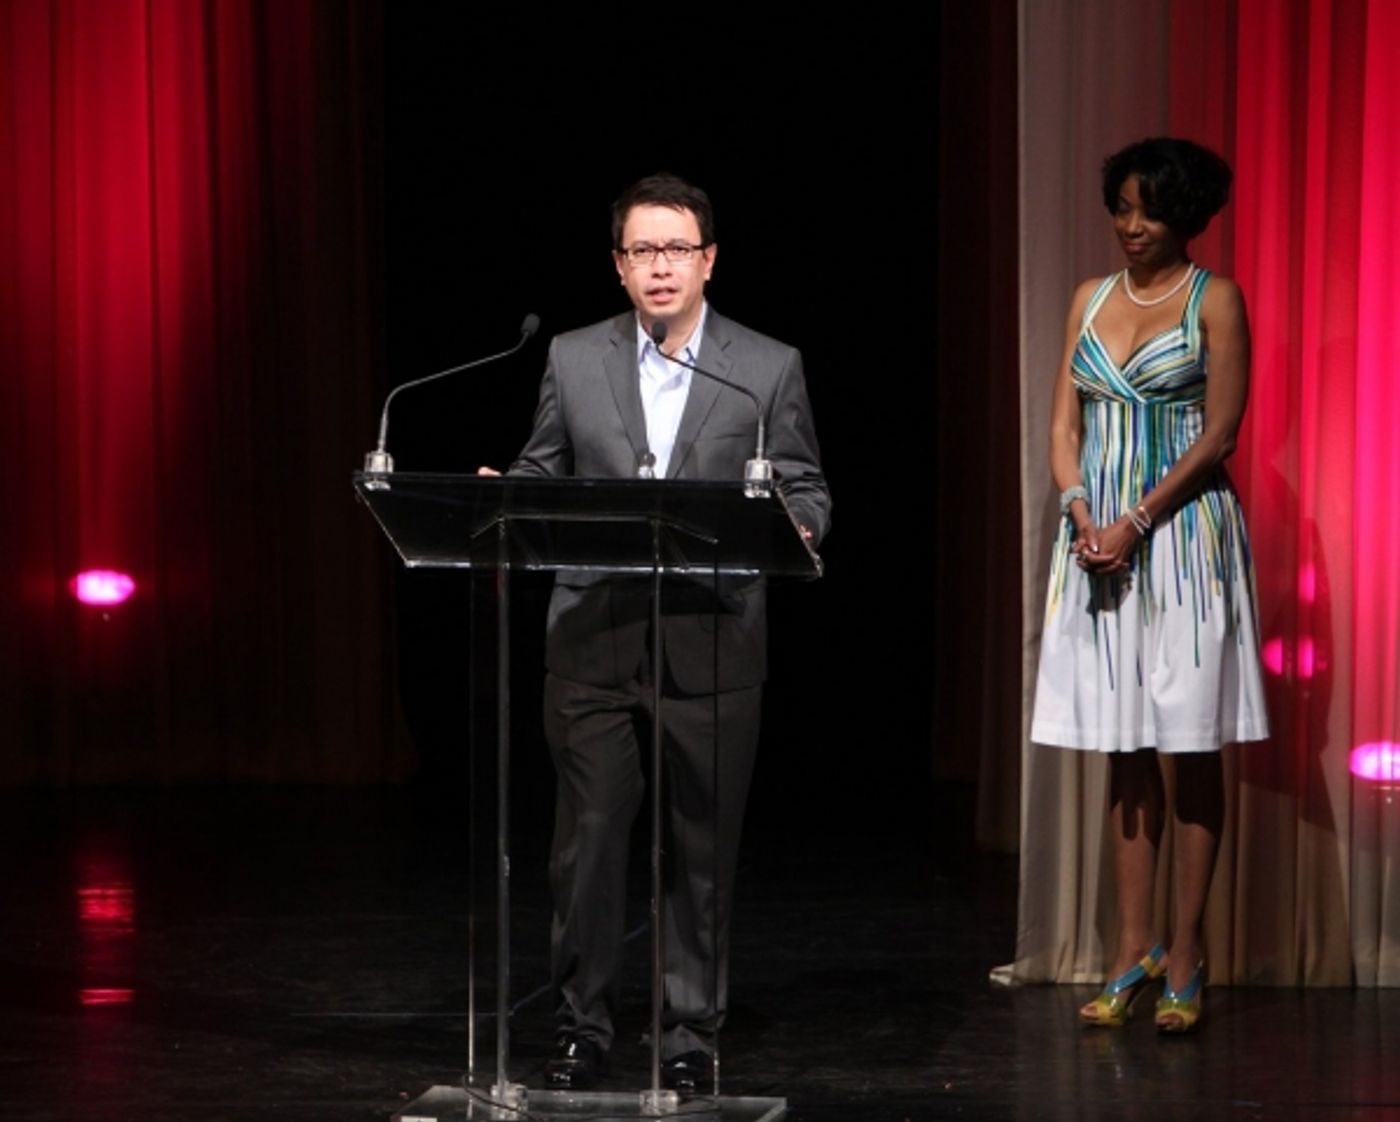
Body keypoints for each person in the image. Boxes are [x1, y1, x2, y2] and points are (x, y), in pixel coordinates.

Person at [500, 173, 830, 1090]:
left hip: (712, 640)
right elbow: (543, 469)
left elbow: (805, 485)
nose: (660, 266)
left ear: (708, 260)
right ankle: (581, 1027)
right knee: (587, 847)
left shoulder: (764, 367)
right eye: (642, 250)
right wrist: (511, 497)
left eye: (677, 249)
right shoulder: (573, 357)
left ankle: (689, 1035)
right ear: (618, 265)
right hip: (593, 638)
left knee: (700, 856)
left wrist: (800, 527)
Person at [1030, 138, 1269, 1034]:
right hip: (1097, 542)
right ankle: (1133, 951)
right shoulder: (1089, 299)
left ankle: (1188, 952)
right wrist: (1082, 510)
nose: (1132, 227)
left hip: (1184, 542)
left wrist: (1137, 520)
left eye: (1151, 212)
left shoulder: (1216, 300)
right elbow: (1064, 426)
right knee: (1124, 750)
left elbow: (1220, 434)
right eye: (1122, 209)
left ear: (1187, 218)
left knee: (1189, 744)